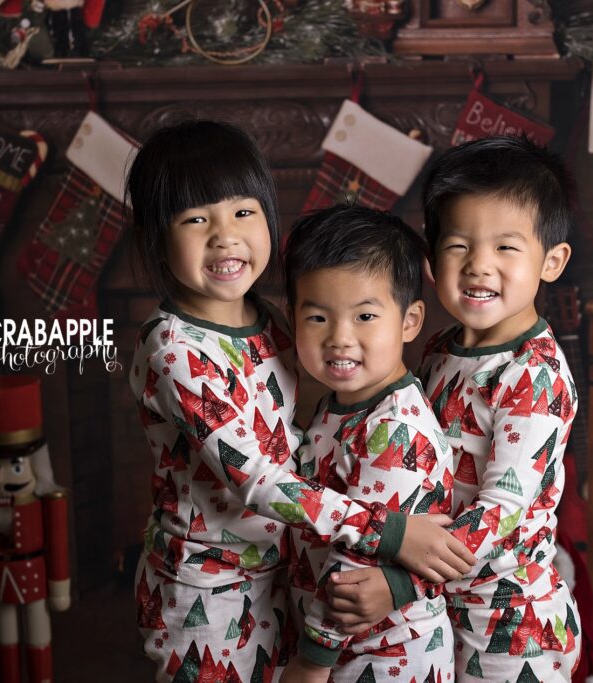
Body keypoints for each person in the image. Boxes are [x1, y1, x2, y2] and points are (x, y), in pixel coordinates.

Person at [126, 120, 475, 681]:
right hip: (207, 586)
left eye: (243, 212)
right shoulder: (174, 350)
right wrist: (387, 530)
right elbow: (255, 477)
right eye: (196, 219)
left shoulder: (269, 320)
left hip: (282, 575)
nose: (225, 237)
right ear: (157, 236)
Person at [326, 135, 583, 681]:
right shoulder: (440, 350)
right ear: (431, 260)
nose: (479, 266)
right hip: (440, 603)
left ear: (552, 261)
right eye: (459, 246)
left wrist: (399, 583)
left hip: (510, 617)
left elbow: (501, 512)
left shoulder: (534, 376)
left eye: (506, 248)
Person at [280, 205, 457, 682]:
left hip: (389, 651)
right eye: (318, 317)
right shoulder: (336, 405)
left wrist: (312, 663)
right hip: (345, 644)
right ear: (292, 318)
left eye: (364, 316)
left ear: (409, 321)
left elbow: (358, 559)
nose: (340, 338)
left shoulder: (394, 427)